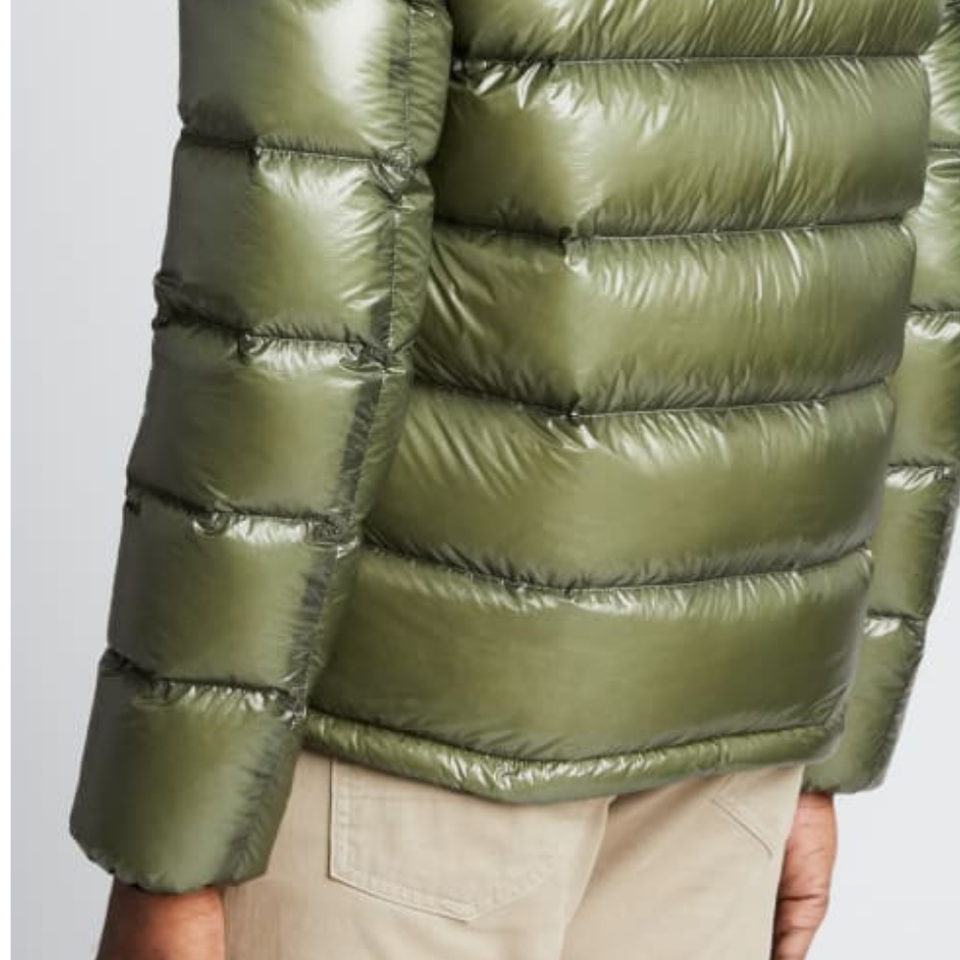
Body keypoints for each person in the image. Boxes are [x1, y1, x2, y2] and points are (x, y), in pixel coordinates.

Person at [69, 1, 960, 958]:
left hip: (412, 754)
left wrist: (174, 841)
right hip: (738, 736)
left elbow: (284, 315)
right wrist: (832, 745)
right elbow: (933, 260)